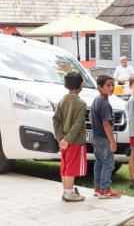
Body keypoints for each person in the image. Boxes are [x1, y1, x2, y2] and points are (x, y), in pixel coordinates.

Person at [52, 72, 87, 202]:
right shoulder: (82, 103)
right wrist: (67, 140)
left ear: (66, 85)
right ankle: (69, 194)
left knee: (65, 166)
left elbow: (56, 120)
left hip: (63, 141)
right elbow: (78, 125)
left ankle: (67, 192)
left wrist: (61, 138)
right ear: (81, 85)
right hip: (75, 141)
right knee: (72, 167)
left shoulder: (62, 100)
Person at [90, 74, 122, 199]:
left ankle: (98, 187)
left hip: (95, 136)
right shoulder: (104, 103)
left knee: (99, 162)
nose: (111, 88)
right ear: (99, 87)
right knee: (108, 163)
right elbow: (106, 125)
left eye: (113, 85)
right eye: (108, 85)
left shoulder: (97, 99)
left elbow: (91, 117)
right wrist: (112, 142)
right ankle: (105, 189)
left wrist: (95, 128)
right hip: (103, 138)